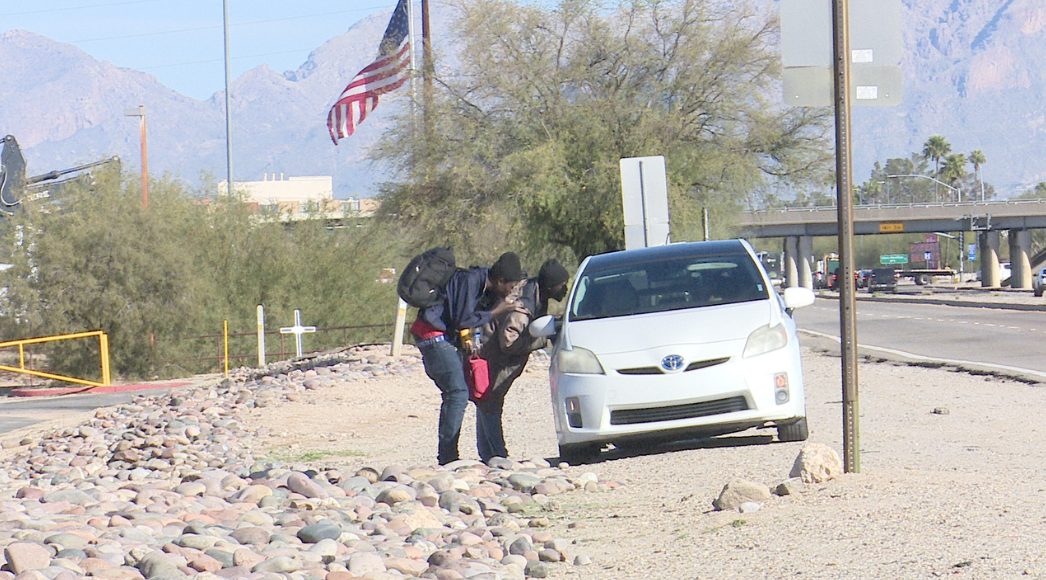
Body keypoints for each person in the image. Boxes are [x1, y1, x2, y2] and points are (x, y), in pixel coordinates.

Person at [410, 252, 524, 465]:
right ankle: (448, 458)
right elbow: (464, 319)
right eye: (511, 286)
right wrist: (498, 311)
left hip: (441, 336)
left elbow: (463, 318)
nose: (511, 291)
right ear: (500, 281)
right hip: (431, 334)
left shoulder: (480, 282)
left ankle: (449, 456)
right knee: (457, 393)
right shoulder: (471, 281)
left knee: (459, 392)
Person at [475, 259, 570, 463]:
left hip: (493, 356)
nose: (565, 290)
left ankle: (489, 456)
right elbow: (508, 342)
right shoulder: (523, 309)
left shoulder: (533, 292)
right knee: (490, 404)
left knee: (487, 404)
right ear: (551, 285)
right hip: (495, 358)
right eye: (562, 285)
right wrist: (543, 339)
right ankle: (498, 455)